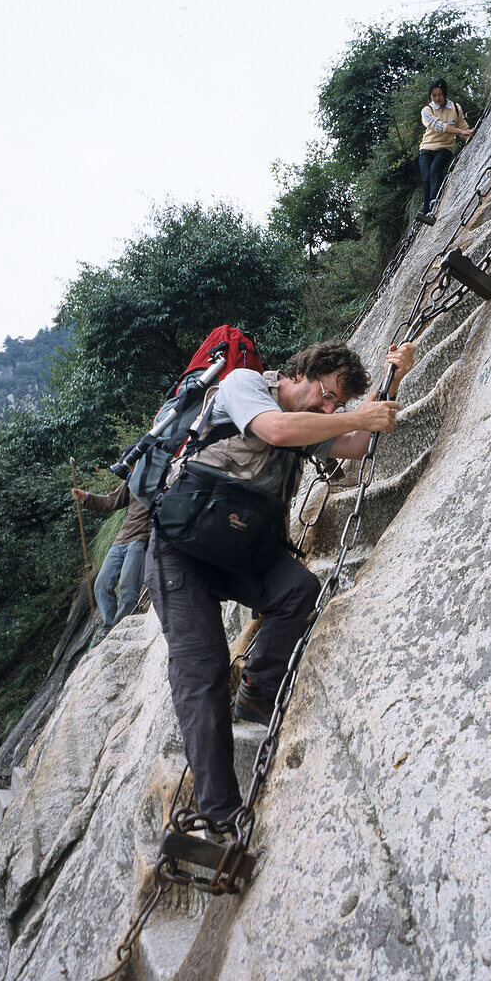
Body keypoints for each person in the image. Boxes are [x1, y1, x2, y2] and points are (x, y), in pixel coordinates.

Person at [145, 338, 416, 831]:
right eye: (327, 394)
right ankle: (220, 813)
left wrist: (393, 379)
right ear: (304, 372)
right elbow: (275, 428)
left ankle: (258, 689)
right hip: (181, 551)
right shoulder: (245, 384)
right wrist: (356, 416)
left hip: (239, 549)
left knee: (297, 588)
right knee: (202, 672)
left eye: (339, 403)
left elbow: (356, 445)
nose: (330, 407)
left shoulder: (315, 420)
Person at [72, 448, 152, 645]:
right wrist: (86, 497)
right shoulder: (129, 481)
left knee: (127, 588)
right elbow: (110, 501)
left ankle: (119, 630)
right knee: (101, 584)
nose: (129, 468)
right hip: (121, 540)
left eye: (131, 463)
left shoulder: (157, 477)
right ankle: (107, 628)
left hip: (140, 538)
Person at [417, 77, 476, 225]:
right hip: (427, 148)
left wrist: (469, 133)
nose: (437, 98)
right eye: (434, 95)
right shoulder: (427, 110)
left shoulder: (455, 108)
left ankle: (433, 203)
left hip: (445, 148)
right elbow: (439, 126)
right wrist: (460, 131)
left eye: (440, 95)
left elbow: (462, 127)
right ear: (430, 96)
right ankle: (426, 208)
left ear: (445, 94)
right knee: (426, 176)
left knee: (435, 170)